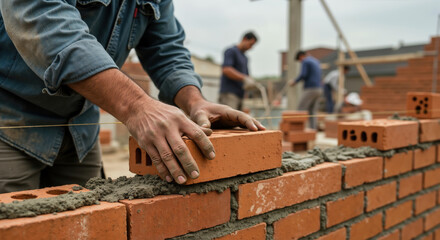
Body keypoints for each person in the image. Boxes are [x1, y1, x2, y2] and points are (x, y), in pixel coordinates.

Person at [0, 1, 265, 193]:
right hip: (10, 120)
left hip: (80, 128)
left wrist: (195, 102)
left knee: (85, 221)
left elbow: (167, 50)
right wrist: (136, 106)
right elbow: (45, 23)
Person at [219, 31, 258, 110]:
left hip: (240, 94)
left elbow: (247, 75)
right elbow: (226, 69)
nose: (250, 47)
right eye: (250, 44)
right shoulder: (231, 51)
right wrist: (244, 78)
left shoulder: (245, 57)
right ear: (245, 39)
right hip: (229, 94)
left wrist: (250, 82)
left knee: (237, 120)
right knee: (228, 120)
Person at [289, 51, 322, 129]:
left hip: (310, 89)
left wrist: (295, 81)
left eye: (299, 60)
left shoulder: (305, 61)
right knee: (312, 112)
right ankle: (313, 130)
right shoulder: (315, 61)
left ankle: (298, 130)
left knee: (301, 110)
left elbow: (303, 74)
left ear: (301, 56)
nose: (300, 62)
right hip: (319, 89)